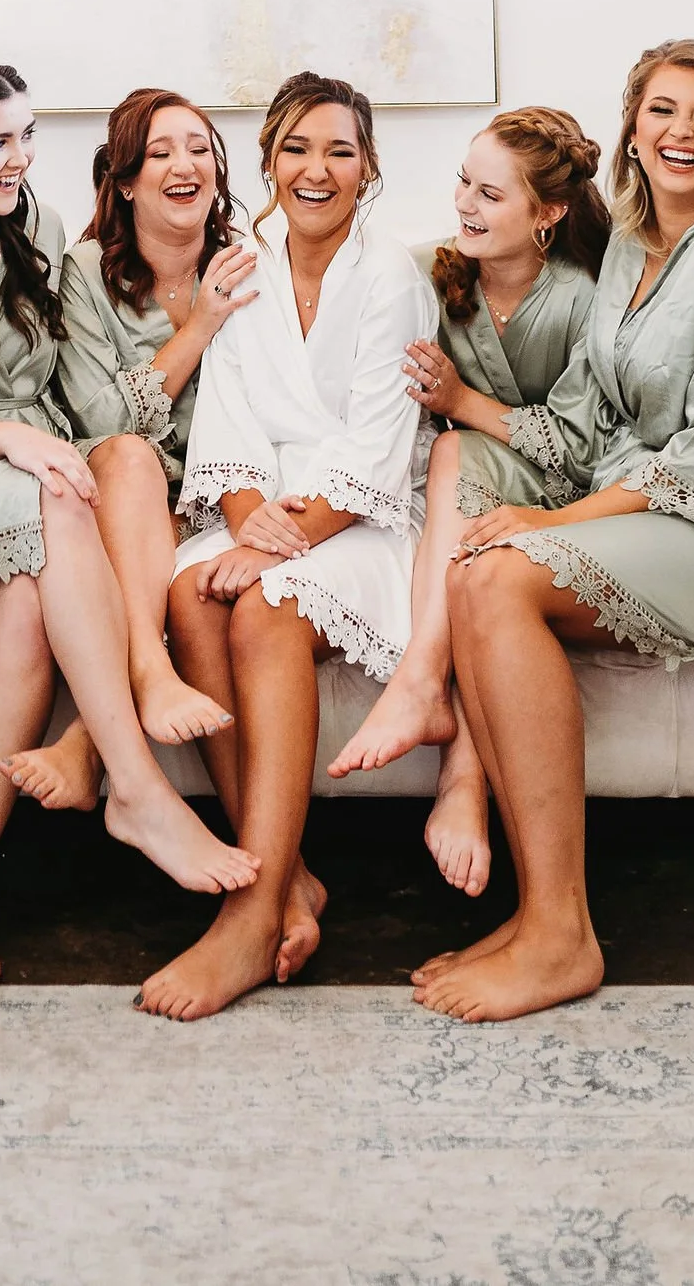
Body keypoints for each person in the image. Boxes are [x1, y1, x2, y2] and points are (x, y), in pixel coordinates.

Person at [415, 38, 694, 1024]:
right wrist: (471, 424)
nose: (679, 132)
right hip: (651, 508)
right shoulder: (629, 243)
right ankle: (534, 917)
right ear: (632, 126)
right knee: (480, 564)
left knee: (500, 573)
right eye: (660, 110)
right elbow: (583, 421)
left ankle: (561, 934)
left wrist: (550, 520)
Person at [0, 51, 258, 999]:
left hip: (47, 470)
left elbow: (77, 408)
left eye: (26, 137)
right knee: (65, 486)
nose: (19, 159)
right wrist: (4, 440)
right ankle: (140, 790)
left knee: (32, 608)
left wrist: (43, 446)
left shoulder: (38, 229)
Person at [137, 70, 436, 1020]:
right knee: (189, 596)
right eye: (296, 150)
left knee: (262, 606)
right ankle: (289, 875)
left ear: (368, 167)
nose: (316, 170)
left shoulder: (392, 278)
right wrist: (247, 516)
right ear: (267, 162)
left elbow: (381, 443)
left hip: (363, 514)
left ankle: (250, 913)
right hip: (256, 503)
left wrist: (281, 545)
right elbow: (225, 413)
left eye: (339, 151)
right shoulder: (242, 263)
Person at [328, 106, 605, 901]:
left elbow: (585, 447)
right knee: (453, 476)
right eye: (463, 182)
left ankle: (435, 716)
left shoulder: (583, 301)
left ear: (548, 214)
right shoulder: (433, 276)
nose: (464, 205)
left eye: (490, 195)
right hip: (458, 495)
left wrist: (463, 400)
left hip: (561, 500)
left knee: (458, 452)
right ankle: (458, 774)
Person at [3, 87, 259, 812]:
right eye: (160, 152)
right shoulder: (82, 272)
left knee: (171, 496)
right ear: (123, 181)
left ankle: (87, 741)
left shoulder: (249, 265)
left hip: (221, 497)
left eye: (200, 150)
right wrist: (202, 325)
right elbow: (103, 414)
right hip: (120, 496)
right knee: (127, 456)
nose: (185, 166)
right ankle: (149, 666)